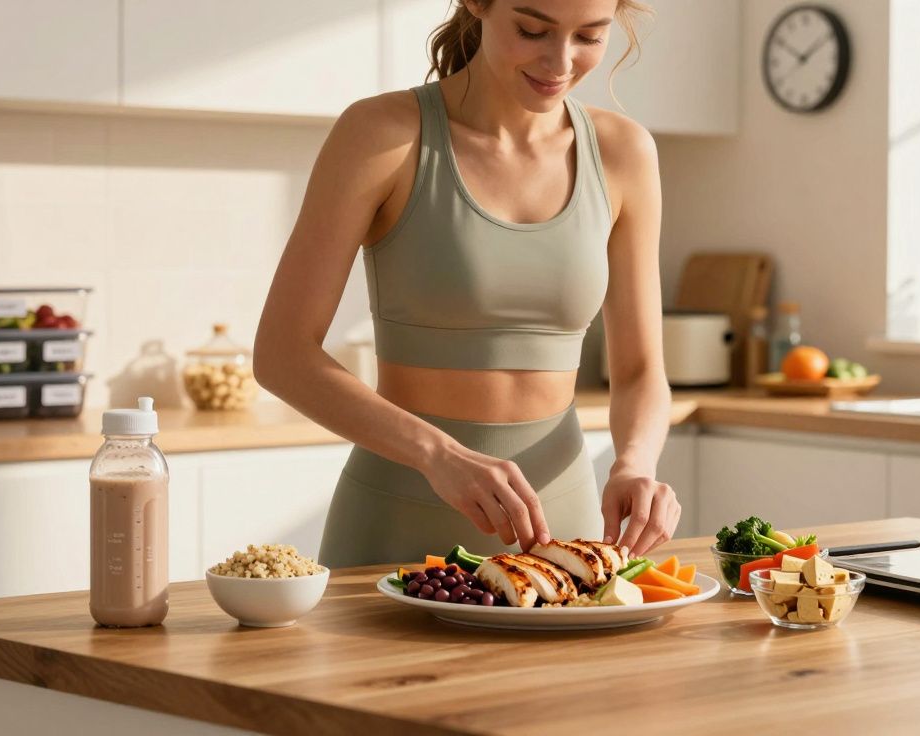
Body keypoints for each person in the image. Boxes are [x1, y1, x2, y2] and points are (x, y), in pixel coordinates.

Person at [254, 0, 676, 568]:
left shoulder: (624, 152)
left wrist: (636, 464)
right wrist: (437, 454)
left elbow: (641, 370)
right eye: (533, 30)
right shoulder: (382, 135)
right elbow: (281, 354)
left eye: (590, 37)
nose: (560, 61)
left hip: (559, 541)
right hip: (394, 530)